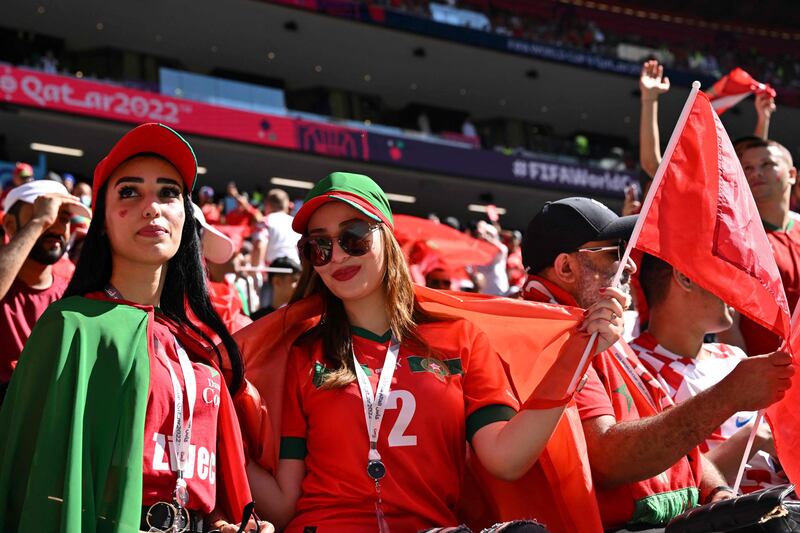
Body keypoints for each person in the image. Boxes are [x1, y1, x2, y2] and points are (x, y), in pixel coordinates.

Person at [244, 172, 627, 532]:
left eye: (354, 236)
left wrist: (574, 360)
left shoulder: (458, 338)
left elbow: (505, 458)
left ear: (387, 238)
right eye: (319, 246)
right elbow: (283, 504)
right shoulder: (301, 353)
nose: (339, 255)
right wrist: (219, 426)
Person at [0, 123, 270, 533]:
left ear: (185, 214)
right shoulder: (72, 326)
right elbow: (39, 489)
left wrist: (224, 524)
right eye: (129, 192)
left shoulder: (196, 347)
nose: (152, 207)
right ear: (103, 222)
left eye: (168, 192)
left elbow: (214, 488)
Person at [520, 197, 792, 530]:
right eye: (615, 253)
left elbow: (665, 423)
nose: (630, 266)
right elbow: (608, 461)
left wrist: (717, 494)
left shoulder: (596, 326)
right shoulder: (550, 334)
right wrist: (729, 396)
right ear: (565, 268)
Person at [634, 253, 787, 492]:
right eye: (724, 270)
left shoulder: (733, 356)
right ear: (685, 278)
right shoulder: (633, 367)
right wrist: (754, 437)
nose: (736, 284)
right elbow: (669, 485)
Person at [0, 180, 89, 395]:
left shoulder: (72, 287)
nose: (57, 227)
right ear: (10, 225)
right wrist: (40, 222)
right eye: (44, 214)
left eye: (64, 218)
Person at [718, 139, 800, 354]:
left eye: (767, 165)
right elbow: (728, 325)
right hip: (770, 378)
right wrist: (750, 380)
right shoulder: (736, 239)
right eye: (748, 168)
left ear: (791, 175)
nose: (756, 173)